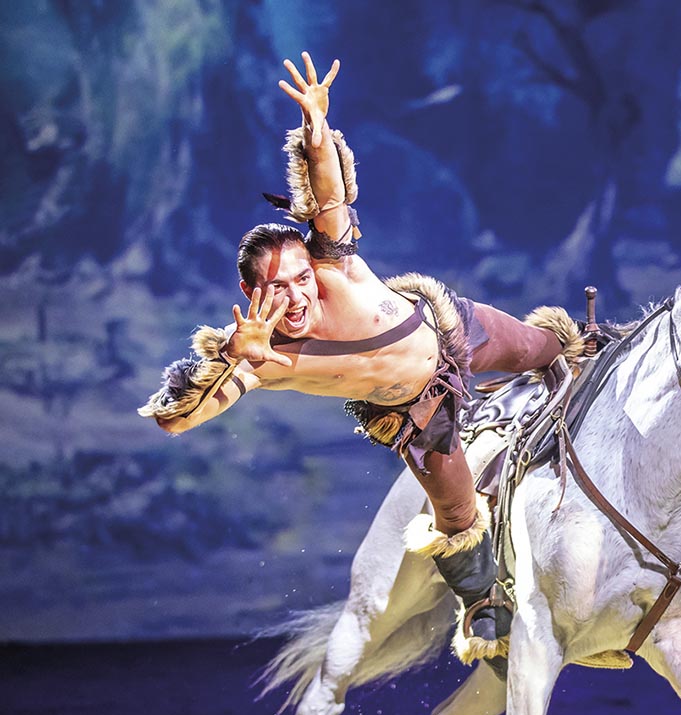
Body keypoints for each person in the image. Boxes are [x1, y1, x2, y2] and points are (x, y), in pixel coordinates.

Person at [140, 53, 580, 661]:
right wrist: (230, 362)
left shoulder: (335, 264)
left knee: (541, 346)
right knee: (456, 510)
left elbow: (327, 194)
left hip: (451, 331)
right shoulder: (258, 356)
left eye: (301, 279)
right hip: (416, 411)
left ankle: (600, 357)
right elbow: (177, 419)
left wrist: (316, 129)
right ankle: (483, 607)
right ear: (249, 291)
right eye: (278, 287)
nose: (297, 296)